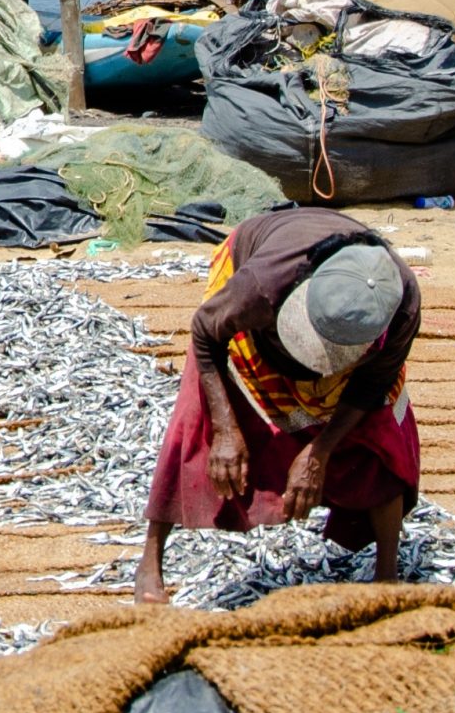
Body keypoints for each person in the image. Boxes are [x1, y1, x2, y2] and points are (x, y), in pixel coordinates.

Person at [134, 210, 420, 605]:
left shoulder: (401, 301)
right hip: (256, 300)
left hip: (361, 363)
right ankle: (149, 563)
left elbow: (374, 385)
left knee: (380, 430)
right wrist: (226, 430)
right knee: (194, 421)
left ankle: (387, 575)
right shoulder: (261, 287)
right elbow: (205, 333)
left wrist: (319, 451)